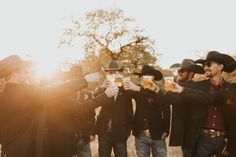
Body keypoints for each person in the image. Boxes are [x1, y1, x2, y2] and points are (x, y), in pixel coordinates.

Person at [166, 51, 235, 157]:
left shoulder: (230, 89)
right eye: (204, 65)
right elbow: (175, 98)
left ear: (220, 66)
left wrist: (232, 143)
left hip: (223, 141)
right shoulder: (197, 87)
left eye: (208, 64)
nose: (205, 68)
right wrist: (157, 90)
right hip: (201, 140)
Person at [128, 65, 170, 157]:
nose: (147, 78)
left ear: (153, 77)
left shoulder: (160, 91)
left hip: (158, 132)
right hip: (140, 132)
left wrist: (166, 130)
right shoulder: (136, 90)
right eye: (145, 75)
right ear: (142, 77)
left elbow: (167, 112)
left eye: (150, 75)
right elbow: (123, 91)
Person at [94, 60, 134, 157]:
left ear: (119, 73)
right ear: (107, 74)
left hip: (120, 134)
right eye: (110, 72)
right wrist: (103, 88)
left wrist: (127, 131)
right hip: (104, 132)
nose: (112, 74)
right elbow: (95, 101)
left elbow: (130, 113)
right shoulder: (103, 89)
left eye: (115, 72)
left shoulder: (126, 90)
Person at [168, 59, 204, 150]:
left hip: (192, 135)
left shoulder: (194, 88)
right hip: (186, 135)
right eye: (179, 71)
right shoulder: (179, 86)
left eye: (182, 71)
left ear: (191, 73)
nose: (179, 73)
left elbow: (174, 99)